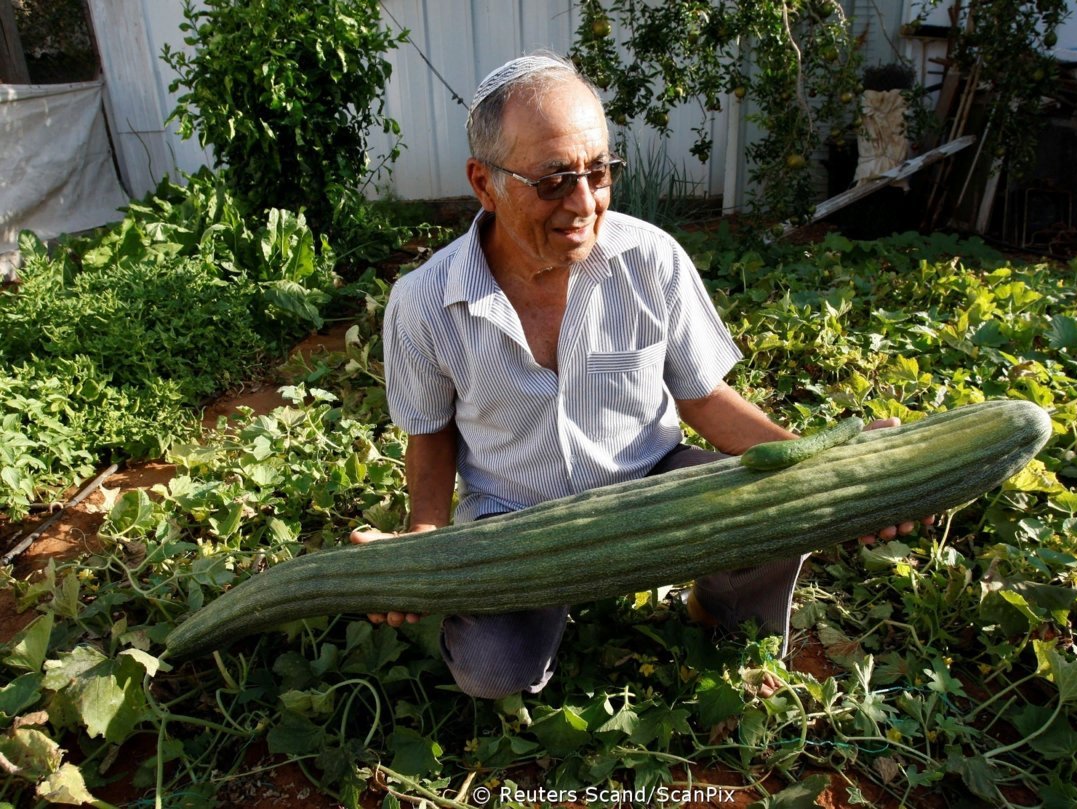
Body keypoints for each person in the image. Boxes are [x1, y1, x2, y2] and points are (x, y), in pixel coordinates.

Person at [351, 52, 928, 700]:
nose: (584, 201)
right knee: (493, 671)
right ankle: (534, 612)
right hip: (516, 521)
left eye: (599, 172)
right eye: (554, 180)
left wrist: (838, 472)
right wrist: (423, 541)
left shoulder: (648, 259)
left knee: (775, 512)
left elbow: (705, 398)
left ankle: (716, 608)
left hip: (652, 490)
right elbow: (429, 436)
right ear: (484, 183)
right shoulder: (425, 300)